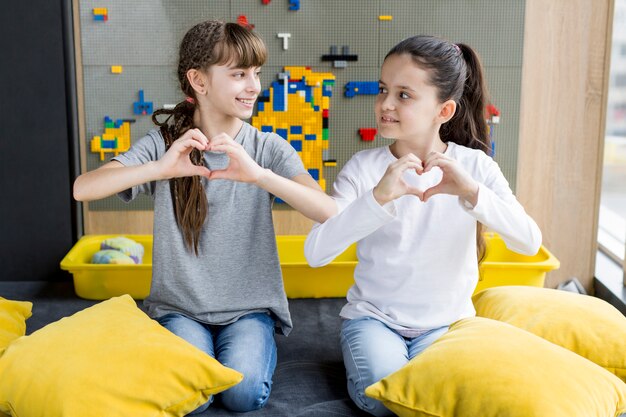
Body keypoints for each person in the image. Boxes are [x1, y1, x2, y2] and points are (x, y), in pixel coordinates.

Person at [73, 20, 336, 413]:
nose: (253, 86)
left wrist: (259, 175)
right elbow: (83, 188)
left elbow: (328, 211)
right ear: (199, 80)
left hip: (248, 309)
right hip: (180, 309)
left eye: (256, 73)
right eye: (238, 74)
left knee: (242, 394)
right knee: (192, 398)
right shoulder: (164, 144)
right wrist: (160, 168)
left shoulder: (266, 147)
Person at [304, 35, 542, 417]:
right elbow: (315, 254)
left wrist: (470, 192)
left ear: (444, 111)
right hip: (374, 321)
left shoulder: (476, 167)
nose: (384, 104)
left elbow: (529, 243)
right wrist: (377, 198)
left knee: (438, 399)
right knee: (385, 401)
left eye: (404, 95)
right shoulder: (364, 168)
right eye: (383, 90)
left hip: (447, 326)